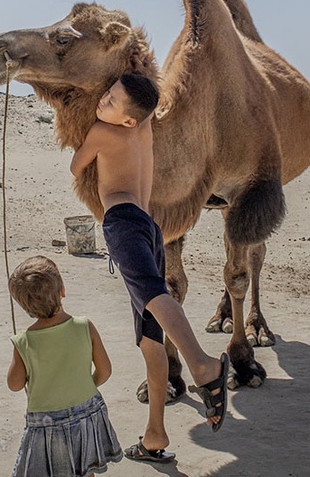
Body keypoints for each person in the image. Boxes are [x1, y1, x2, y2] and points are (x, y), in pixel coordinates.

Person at [71, 73, 229, 464]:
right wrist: (121, 99)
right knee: (149, 340)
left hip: (123, 224)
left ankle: (203, 366)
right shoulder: (142, 127)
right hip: (150, 226)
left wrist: (89, 129)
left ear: (128, 118)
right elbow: (141, 98)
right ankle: (155, 436)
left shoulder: (102, 133)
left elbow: (77, 169)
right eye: (105, 93)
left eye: (110, 102)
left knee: (156, 297)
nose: (102, 102)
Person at [7, 255, 123, 477]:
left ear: (24, 306)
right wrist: (87, 384)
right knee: (86, 468)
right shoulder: (84, 326)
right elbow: (105, 370)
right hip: (88, 412)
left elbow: (14, 384)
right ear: (62, 290)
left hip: (47, 423)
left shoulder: (24, 341)